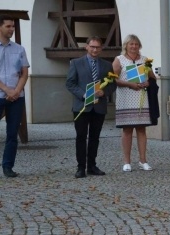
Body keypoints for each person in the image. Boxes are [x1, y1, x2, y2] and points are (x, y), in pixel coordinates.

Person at [65, 36, 116, 178]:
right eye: (92, 46)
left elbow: (112, 84)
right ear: (86, 47)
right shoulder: (76, 63)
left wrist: (104, 92)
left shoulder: (107, 65)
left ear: (101, 48)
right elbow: (70, 83)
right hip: (81, 106)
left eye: (97, 47)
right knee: (81, 137)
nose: (95, 49)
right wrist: (84, 95)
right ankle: (80, 167)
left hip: (99, 106)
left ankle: (92, 165)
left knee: (95, 137)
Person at [112, 34, 155, 171]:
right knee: (127, 130)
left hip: (141, 98)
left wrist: (148, 82)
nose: (134, 46)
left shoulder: (144, 60)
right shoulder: (119, 60)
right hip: (125, 98)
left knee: (142, 129)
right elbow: (114, 79)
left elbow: (152, 77)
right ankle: (127, 162)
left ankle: (143, 160)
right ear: (126, 45)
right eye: (131, 44)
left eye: (136, 44)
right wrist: (129, 84)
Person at [0, 15, 30, 178]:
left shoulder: (19, 49)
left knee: (12, 133)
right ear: (0, 27)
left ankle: (8, 166)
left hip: (17, 97)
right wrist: (7, 90)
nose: (11, 29)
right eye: (8, 26)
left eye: (13, 26)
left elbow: (25, 73)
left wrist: (16, 90)